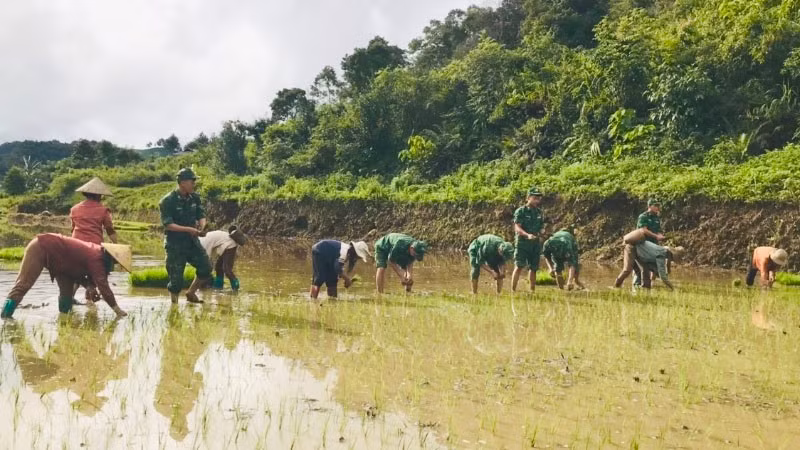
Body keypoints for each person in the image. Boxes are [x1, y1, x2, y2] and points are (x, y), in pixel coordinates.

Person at [1, 234, 132, 319]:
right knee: (23, 285)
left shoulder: (97, 254)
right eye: (115, 262)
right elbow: (104, 287)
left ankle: (64, 321)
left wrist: (89, 287)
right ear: (110, 258)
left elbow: (76, 272)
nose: (114, 265)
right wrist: (118, 311)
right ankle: (5, 318)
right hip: (41, 247)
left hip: (62, 263)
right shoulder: (96, 257)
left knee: (67, 293)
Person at [159, 168, 212, 304]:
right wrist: (189, 229)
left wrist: (202, 226)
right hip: (174, 244)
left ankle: (191, 292)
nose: (194, 184)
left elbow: (201, 215)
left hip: (192, 242)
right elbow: (168, 224)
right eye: (191, 181)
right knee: (176, 280)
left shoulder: (195, 197)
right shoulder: (167, 201)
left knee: (206, 267)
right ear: (182, 182)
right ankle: (174, 306)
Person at [511, 187, 548, 292]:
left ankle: (532, 291)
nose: (537, 200)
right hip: (522, 243)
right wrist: (527, 235)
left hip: (535, 244)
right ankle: (513, 291)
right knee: (518, 266)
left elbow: (541, 226)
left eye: (538, 198)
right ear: (528, 198)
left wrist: (542, 230)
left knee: (533, 268)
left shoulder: (539, 212)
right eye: (535, 197)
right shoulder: (521, 211)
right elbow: (517, 227)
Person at [615, 240, 684, 291]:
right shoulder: (661, 255)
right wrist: (673, 288)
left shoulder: (665, 250)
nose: (672, 261)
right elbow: (663, 276)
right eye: (672, 259)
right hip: (632, 248)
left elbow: (661, 268)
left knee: (645, 270)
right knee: (627, 270)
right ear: (671, 255)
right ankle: (616, 286)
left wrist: (667, 271)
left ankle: (646, 289)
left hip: (641, 253)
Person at [70, 177, 118, 245]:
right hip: (94, 245)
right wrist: (115, 244)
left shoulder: (74, 209)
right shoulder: (103, 210)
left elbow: (73, 228)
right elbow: (109, 230)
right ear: (98, 196)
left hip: (76, 244)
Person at [199, 226, 248, 291]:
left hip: (229, 244)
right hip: (222, 242)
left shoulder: (201, 244)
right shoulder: (199, 240)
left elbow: (206, 261)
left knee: (227, 270)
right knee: (218, 267)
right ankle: (218, 287)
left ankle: (235, 288)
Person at [634, 198, 666, 286]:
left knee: (655, 264)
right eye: (655, 206)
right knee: (644, 267)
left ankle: (652, 283)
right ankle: (637, 284)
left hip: (654, 244)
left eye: (658, 206)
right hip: (643, 245)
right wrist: (656, 236)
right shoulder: (643, 216)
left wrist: (660, 236)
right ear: (649, 206)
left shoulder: (656, 218)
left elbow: (658, 230)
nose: (657, 207)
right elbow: (643, 230)